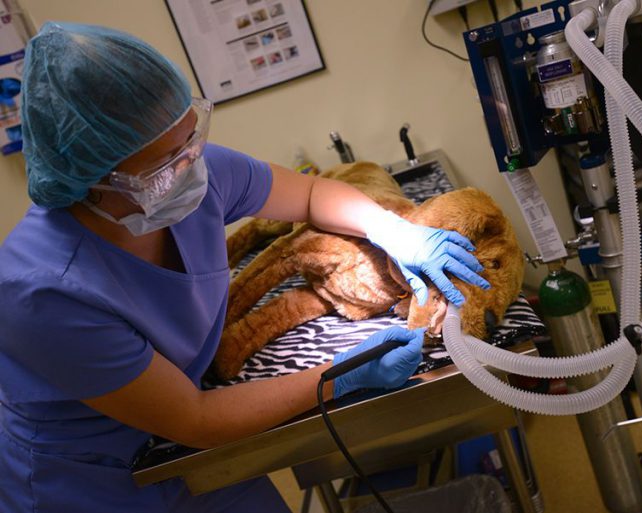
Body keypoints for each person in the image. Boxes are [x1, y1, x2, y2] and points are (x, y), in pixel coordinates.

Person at [0, 22, 491, 513]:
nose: (191, 166)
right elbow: (193, 420)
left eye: (190, 140)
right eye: (163, 165)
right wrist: (342, 374)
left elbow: (313, 194)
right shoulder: (41, 293)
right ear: (91, 179)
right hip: (90, 480)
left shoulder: (190, 171)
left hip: (192, 444)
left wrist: (393, 231)